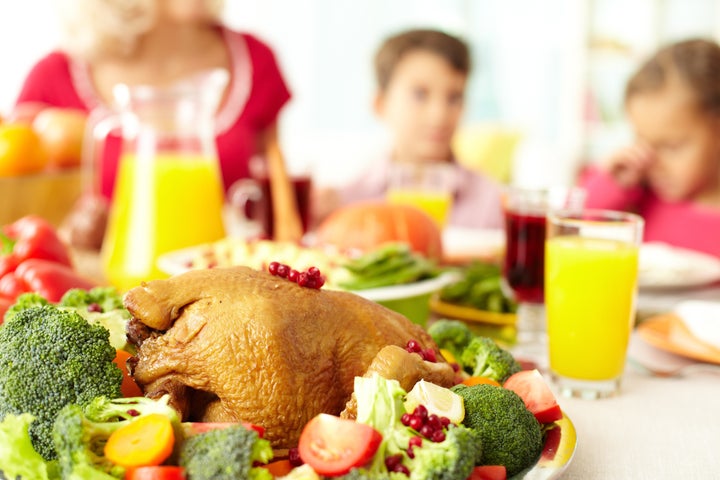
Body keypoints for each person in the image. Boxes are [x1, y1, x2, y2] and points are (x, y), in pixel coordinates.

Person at [15, 0, 303, 243]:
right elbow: (19, 220)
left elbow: (277, 190)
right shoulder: (53, 76)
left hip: (213, 277)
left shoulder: (255, 61)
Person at [313, 28, 504, 229]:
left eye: (454, 97)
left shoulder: (494, 204)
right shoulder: (345, 204)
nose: (439, 115)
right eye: (420, 94)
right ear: (380, 104)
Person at [581, 38, 720, 257]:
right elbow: (579, 227)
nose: (654, 161)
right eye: (643, 142)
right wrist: (610, 180)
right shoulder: (638, 195)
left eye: (671, 146)